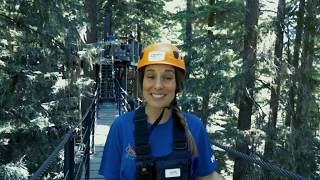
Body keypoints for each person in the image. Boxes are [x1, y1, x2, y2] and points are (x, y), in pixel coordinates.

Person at [99, 43, 224, 180]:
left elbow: (209, 177)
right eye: (151, 77)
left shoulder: (194, 127)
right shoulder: (121, 127)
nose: (158, 86)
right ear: (142, 82)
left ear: (177, 84)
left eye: (168, 78)